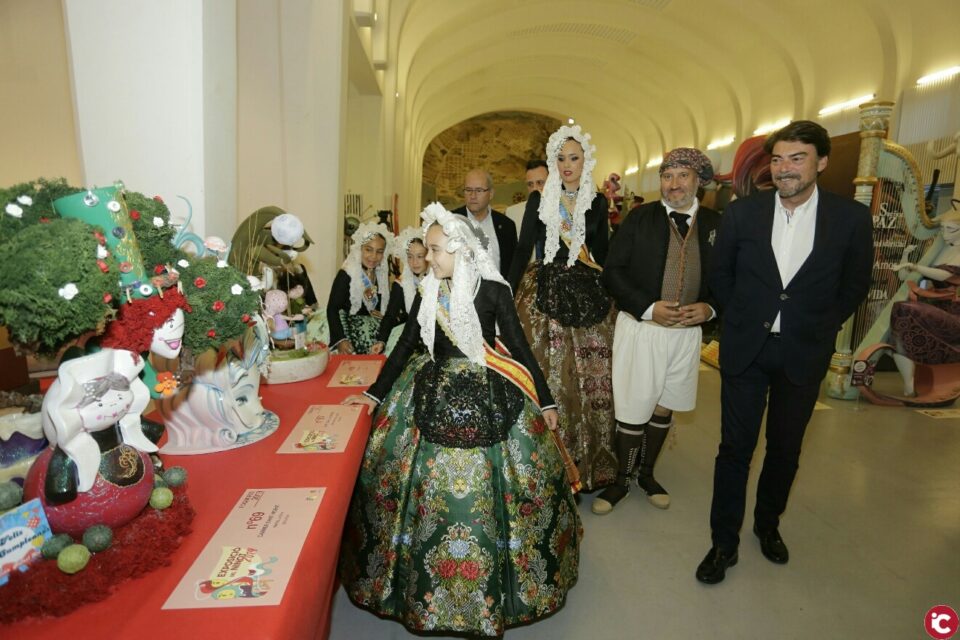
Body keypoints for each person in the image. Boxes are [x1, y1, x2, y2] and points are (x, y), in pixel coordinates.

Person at [339, 203, 580, 636]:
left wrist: (545, 401)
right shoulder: (429, 290)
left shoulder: (493, 290)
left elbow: (521, 350)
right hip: (430, 385)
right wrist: (375, 394)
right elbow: (407, 344)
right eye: (428, 251)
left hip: (492, 388)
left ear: (457, 249)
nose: (426, 259)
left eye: (433, 250)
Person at [696, 120, 873, 584]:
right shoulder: (743, 214)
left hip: (803, 351)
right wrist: (742, 319)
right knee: (734, 448)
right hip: (747, 350)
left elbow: (854, 284)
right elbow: (722, 274)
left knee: (786, 448)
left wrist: (818, 324)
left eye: (797, 158)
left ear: (822, 162)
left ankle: (767, 525)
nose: (785, 168)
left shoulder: (850, 219)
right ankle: (723, 542)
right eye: (777, 159)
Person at [592, 148, 721, 515]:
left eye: (683, 176)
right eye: (668, 176)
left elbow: (729, 278)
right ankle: (620, 480)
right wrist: (650, 307)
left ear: (698, 181)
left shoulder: (716, 225)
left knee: (665, 406)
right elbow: (613, 271)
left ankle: (647, 474)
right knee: (633, 406)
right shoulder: (639, 218)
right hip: (642, 329)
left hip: (686, 335)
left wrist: (710, 308)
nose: (674, 184)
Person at [507, 124, 617, 492]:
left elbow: (602, 253)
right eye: (561, 158)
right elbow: (524, 250)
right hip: (545, 292)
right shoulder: (540, 200)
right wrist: (504, 294)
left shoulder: (598, 202)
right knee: (553, 376)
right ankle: (545, 467)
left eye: (574, 157)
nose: (567, 164)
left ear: (586, 160)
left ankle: (588, 465)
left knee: (591, 379)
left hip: (588, 293)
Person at [889, 210, 960, 394]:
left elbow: (945, 275)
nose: (944, 233)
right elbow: (905, 276)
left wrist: (914, 265)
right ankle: (909, 382)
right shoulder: (941, 250)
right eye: (942, 228)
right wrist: (906, 257)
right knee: (897, 330)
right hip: (936, 308)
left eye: (951, 229)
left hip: (955, 314)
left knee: (902, 309)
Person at [316, 222, 394, 355]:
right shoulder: (347, 273)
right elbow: (332, 308)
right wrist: (341, 340)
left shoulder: (380, 275)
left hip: (369, 334)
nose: (373, 256)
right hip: (345, 332)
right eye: (368, 249)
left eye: (379, 252)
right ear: (360, 248)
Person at [452, 168, 517, 279]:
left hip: (497, 293)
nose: (472, 196)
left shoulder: (507, 226)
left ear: (491, 193)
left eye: (478, 190)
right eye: (468, 190)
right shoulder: (451, 221)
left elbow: (513, 268)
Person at [374, 226, 428, 354]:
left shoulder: (437, 281)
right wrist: (381, 340)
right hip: (409, 337)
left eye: (420, 256)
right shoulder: (400, 284)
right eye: (410, 257)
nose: (414, 262)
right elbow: (390, 316)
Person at [506, 159, 549, 236]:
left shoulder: (565, 211)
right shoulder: (512, 213)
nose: (535, 189)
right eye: (530, 184)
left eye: (540, 183)